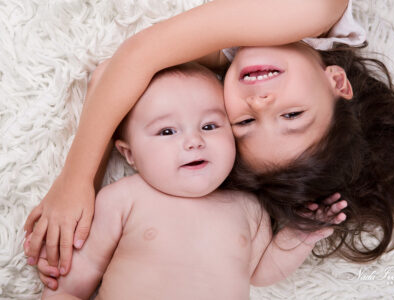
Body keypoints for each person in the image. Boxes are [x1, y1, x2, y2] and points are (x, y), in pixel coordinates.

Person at [32, 62, 347, 298]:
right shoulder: (123, 199)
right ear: (129, 155)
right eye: (167, 132)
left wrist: (300, 237)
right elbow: (73, 284)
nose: (194, 141)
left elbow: (261, 272)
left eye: (210, 126)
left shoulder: (248, 207)